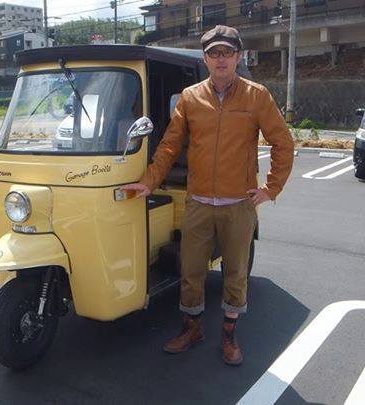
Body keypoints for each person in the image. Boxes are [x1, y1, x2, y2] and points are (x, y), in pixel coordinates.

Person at [121, 25, 294, 366]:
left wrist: (270, 188)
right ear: (205, 58)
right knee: (191, 270)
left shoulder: (256, 96)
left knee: (235, 272)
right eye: (214, 53)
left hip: (238, 204)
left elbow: (283, 143)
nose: (220, 59)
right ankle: (192, 328)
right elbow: (170, 145)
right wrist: (149, 181)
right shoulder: (190, 97)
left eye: (227, 53)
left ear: (238, 57)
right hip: (198, 201)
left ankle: (229, 335)